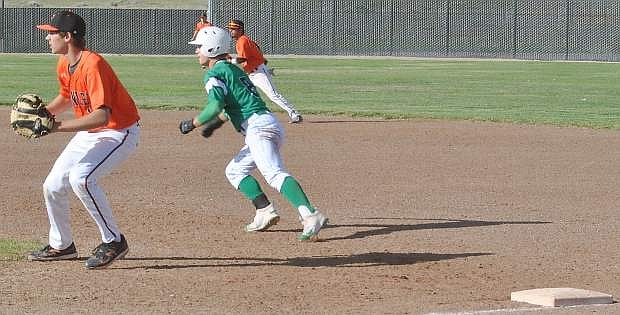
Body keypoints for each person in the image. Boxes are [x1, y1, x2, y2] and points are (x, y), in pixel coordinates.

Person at [180, 26, 327, 241]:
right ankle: (264, 211)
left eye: (199, 47)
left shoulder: (214, 73)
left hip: (258, 128)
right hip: (265, 123)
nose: (196, 52)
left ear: (212, 48)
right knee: (235, 171)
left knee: (274, 174)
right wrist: (216, 124)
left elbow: (215, 105)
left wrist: (192, 123)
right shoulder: (234, 70)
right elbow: (238, 104)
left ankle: (310, 214)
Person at [27, 11, 140, 269]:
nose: (47, 37)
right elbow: (67, 98)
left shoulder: (93, 64)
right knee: (53, 184)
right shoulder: (64, 63)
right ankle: (62, 245)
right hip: (91, 133)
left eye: (52, 33)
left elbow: (101, 116)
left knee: (82, 178)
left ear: (67, 37)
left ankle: (114, 241)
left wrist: (55, 127)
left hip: (118, 131)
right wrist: (43, 114)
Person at [225, 19, 303, 124]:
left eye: (233, 29)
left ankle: (295, 114)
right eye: (230, 29)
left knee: (273, 95)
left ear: (240, 29)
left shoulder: (243, 40)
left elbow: (242, 59)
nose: (230, 31)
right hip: (252, 73)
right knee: (241, 94)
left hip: (258, 73)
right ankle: (240, 115)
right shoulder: (243, 40)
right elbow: (261, 57)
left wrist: (230, 61)